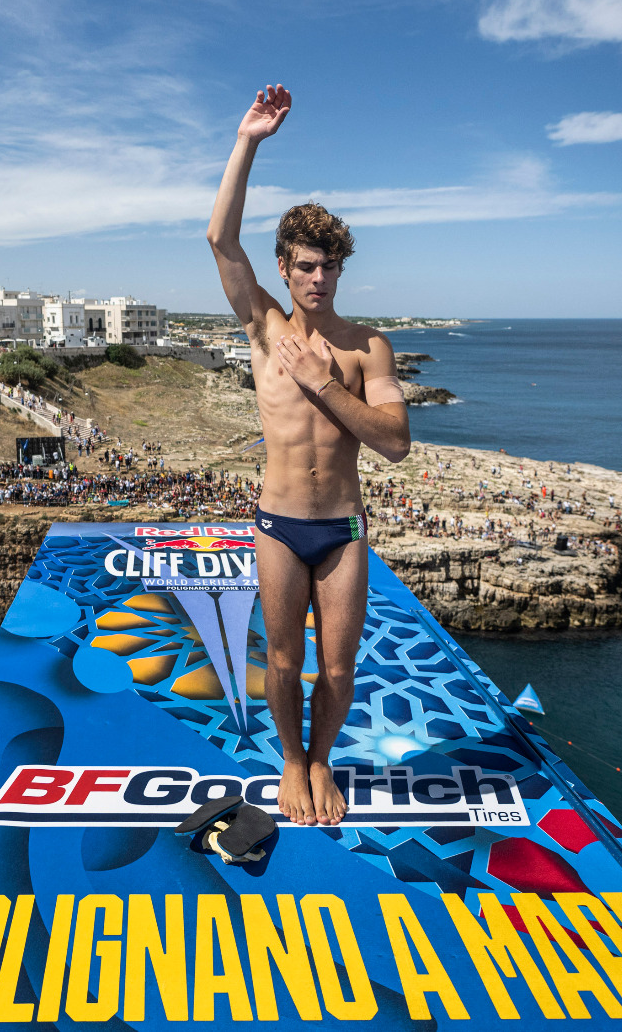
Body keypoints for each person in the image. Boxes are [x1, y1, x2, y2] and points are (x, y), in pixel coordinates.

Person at [207, 84, 410, 827]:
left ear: (340, 271)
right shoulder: (264, 330)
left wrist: (323, 384)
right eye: (305, 266)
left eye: (329, 267)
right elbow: (221, 241)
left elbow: (395, 442)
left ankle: (322, 759)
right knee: (285, 662)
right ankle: (292, 763)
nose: (318, 278)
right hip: (279, 524)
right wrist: (247, 142)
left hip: (343, 529)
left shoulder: (367, 347)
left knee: (340, 667)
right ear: (285, 269)